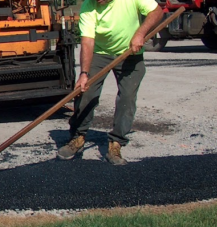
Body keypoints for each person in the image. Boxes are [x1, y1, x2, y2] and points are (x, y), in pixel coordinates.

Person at [56, 0, 163, 165]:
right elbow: (87, 41)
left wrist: (140, 33)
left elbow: (157, 12)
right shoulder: (88, 6)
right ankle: (78, 137)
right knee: (85, 93)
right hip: (100, 52)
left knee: (127, 98)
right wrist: (84, 73)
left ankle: (116, 142)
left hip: (130, 52)